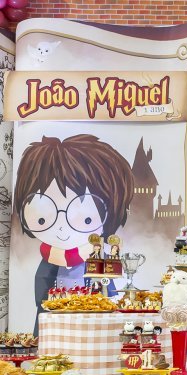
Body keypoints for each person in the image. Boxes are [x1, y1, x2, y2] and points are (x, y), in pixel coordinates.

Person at [13, 134, 135, 335]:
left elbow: (108, 288)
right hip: (53, 320)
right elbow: (41, 288)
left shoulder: (97, 256)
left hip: (91, 321)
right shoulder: (49, 259)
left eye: (86, 219)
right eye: (43, 218)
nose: (62, 230)